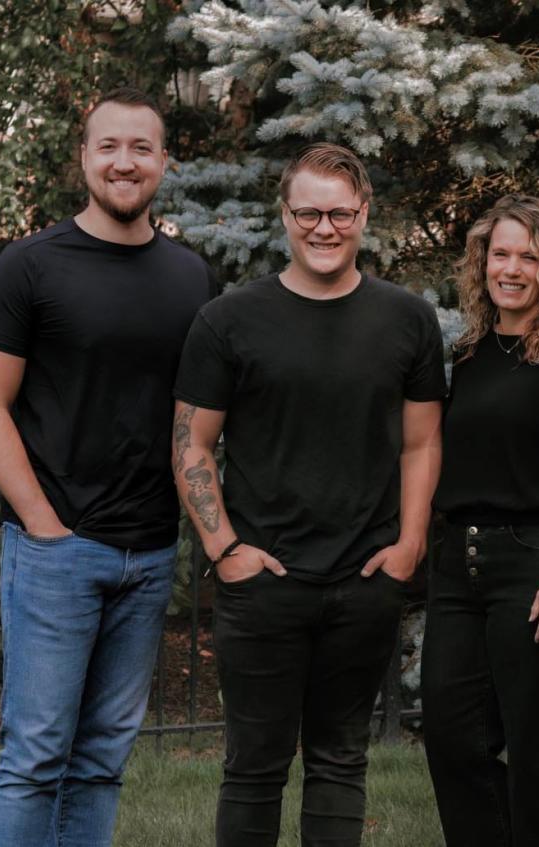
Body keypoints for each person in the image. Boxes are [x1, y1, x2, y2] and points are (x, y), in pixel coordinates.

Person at [171, 141, 446, 847]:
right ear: (284, 216)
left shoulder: (406, 320)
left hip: (364, 582)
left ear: (363, 214)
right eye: (308, 213)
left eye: (339, 213)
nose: (324, 228)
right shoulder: (229, 320)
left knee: (339, 762)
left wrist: (410, 544)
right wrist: (223, 547)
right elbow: (191, 443)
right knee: (255, 768)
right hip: (262, 582)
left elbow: (421, 444)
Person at [0, 87, 216, 847]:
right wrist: (44, 525)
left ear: (164, 162)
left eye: (142, 147)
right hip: (56, 552)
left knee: (103, 758)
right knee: (36, 757)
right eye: (109, 145)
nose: (124, 161)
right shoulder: (30, 266)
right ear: (83, 157)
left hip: (150, 552)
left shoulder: (191, 277)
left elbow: (193, 421)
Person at [422, 195, 539, 847]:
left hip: (536, 562)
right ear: (482, 262)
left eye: (527, 256)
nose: (510, 268)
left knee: (536, 747)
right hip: (459, 567)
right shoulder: (471, 355)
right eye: (499, 253)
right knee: (452, 735)